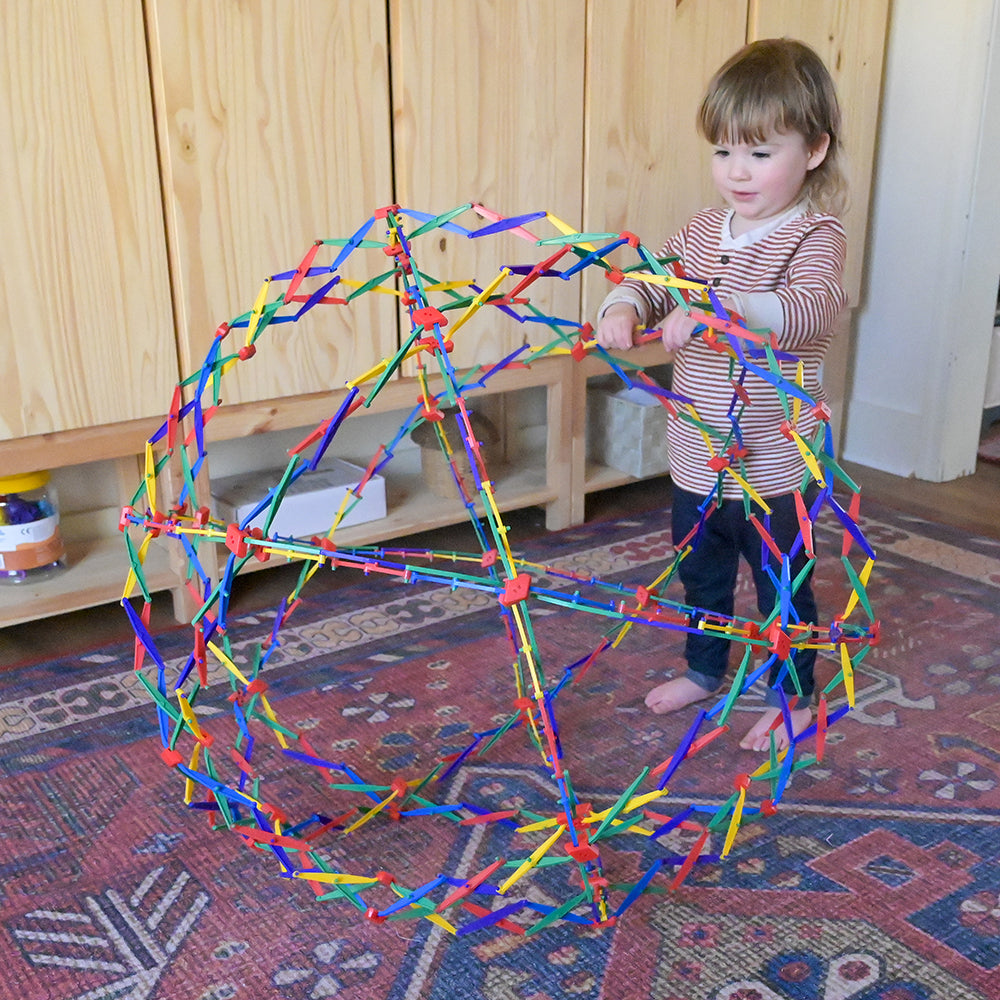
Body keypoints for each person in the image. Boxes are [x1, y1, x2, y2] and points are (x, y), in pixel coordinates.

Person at [595, 38, 848, 752]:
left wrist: (726, 307)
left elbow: (813, 308)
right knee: (700, 578)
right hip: (698, 463)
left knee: (782, 589)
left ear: (815, 151)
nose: (737, 171)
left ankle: (796, 696)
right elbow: (654, 278)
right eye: (723, 151)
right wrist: (624, 305)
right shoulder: (704, 230)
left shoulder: (815, 235)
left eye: (760, 154)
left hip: (774, 467)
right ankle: (705, 669)